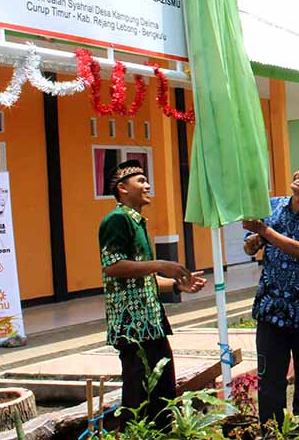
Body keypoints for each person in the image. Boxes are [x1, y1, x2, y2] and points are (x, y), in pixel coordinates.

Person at [98, 160, 206, 424]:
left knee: (162, 389)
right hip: (132, 325)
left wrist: (177, 285)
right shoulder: (117, 220)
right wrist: (160, 264)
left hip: (150, 322)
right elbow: (112, 266)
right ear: (123, 188)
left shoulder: (136, 222)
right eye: (141, 181)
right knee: (139, 392)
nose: (147, 185)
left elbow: (143, 278)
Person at [242, 155, 299, 440]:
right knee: (270, 382)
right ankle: (272, 435)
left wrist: (264, 231)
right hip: (271, 310)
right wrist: (254, 241)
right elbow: (250, 248)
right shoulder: (273, 206)